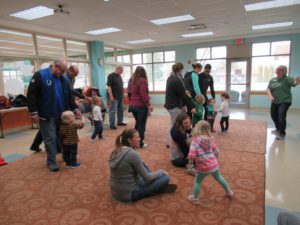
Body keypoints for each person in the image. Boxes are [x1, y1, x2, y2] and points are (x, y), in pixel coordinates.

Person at [27, 59, 80, 172]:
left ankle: (66, 157)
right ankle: (51, 162)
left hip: (62, 115)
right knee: (50, 139)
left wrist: (74, 108)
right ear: (55, 66)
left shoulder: (64, 79)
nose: (63, 73)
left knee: (63, 137)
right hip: (46, 114)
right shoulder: (40, 75)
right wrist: (33, 111)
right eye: (62, 70)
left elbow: (69, 95)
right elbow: (31, 94)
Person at [109, 129, 177, 202]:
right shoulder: (132, 154)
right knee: (165, 178)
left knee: (143, 166)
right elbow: (147, 178)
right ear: (129, 140)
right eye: (137, 137)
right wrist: (161, 171)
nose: (140, 139)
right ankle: (154, 189)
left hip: (115, 192)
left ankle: (154, 187)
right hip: (129, 194)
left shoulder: (116, 150)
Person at [187, 120, 233, 205]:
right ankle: (229, 191)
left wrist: (190, 164)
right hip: (214, 165)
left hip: (202, 168)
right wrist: (216, 159)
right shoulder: (210, 140)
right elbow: (216, 151)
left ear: (197, 129)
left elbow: (191, 155)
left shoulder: (194, 142)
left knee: (197, 182)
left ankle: (195, 199)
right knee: (219, 178)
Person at [267, 65, 300, 140]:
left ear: (284, 71)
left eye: (280, 69)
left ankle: (282, 132)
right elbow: (268, 88)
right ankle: (278, 128)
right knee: (273, 115)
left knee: (281, 115)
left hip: (285, 101)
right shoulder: (273, 80)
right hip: (275, 101)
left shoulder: (287, 79)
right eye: (277, 69)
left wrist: (297, 82)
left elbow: (294, 83)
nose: (277, 70)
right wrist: (270, 96)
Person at [129, 66, 151, 148]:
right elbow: (143, 95)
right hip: (140, 106)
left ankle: (132, 140)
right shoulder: (143, 81)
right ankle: (140, 143)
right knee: (141, 125)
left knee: (138, 123)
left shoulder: (134, 81)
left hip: (132, 105)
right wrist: (148, 103)